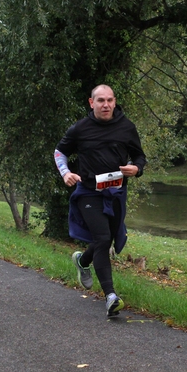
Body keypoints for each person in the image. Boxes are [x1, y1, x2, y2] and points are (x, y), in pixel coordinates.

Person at [54, 84, 147, 318]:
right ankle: (111, 296)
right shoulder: (80, 128)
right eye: (101, 100)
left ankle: (83, 261)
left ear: (115, 102)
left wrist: (137, 168)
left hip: (116, 192)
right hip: (88, 192)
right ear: (91, 102)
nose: (106, 105)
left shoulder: (126, 127)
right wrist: (66, 173)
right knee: (103, 239)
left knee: (108, 238)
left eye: (110, 100)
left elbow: (139, 155)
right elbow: (60, 152)